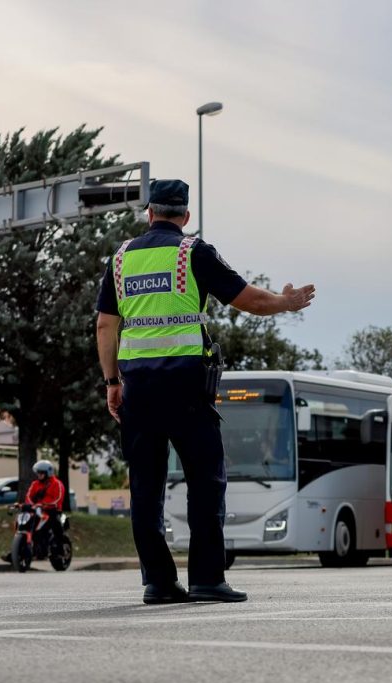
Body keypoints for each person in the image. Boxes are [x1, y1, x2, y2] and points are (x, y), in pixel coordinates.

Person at [95, 179, 315, 604]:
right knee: (206, 480)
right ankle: (206, 579)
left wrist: (112, 382)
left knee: (145, 486)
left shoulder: (120, 259)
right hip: (185, 386)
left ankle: (158, 582)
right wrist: (285, 303)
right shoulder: (191, 252)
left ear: (149, 213)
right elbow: (247, 299)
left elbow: (106, 325)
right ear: (185, 215)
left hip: (137, 387)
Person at [25, 459, 66, 557]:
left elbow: (58, 498)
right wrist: (33, 505)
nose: (39, 475)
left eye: (41, 473)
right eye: (38, 473)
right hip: (37, 510)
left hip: (52, 510)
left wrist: (44, 504)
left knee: (56, 526)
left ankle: (60, 550)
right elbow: (28, 496)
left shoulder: (57, 484)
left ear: (48, 473)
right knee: (27, 526)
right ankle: (19, 550)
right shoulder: (35, 484)